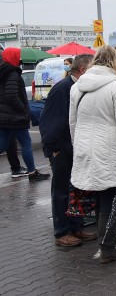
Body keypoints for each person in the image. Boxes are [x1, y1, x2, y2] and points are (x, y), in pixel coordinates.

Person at [69, 46, 116, 264]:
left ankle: (106, 236)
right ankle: (107, 246)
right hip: (110, 149)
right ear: (114, 62)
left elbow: (73, 122)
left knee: (101, 195)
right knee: (110, 197)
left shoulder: (78, 88)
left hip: (86, 147)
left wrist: (79, 145)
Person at [40, 54, 97, 247]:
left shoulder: (79, 88)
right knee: (62, 191)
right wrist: (55, 149)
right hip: (61, 149)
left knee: (77, 189)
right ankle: (62, 231)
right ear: (82, 70)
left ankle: (76, 226)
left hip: (75, 148)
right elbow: (51, 122)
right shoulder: (62, 89)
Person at [0, 47, 50, 182]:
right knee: (26, 143)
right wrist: (23, 109)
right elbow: (11, 96)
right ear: (13, 57)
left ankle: (32, 172)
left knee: (3, 145)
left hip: (5, 116)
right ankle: (32, 173)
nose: (20, 58)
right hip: (15, 116)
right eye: (18, 55)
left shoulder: (4, 72)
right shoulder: (12, 73)